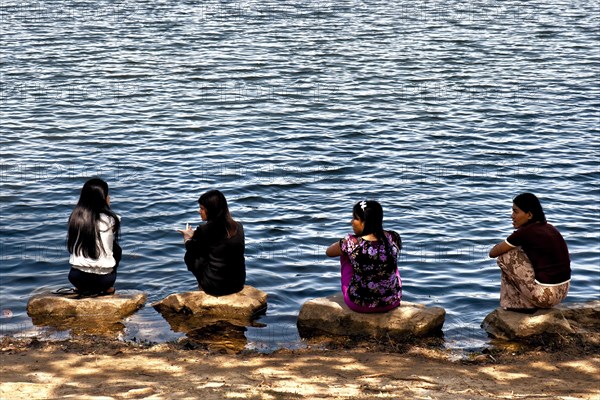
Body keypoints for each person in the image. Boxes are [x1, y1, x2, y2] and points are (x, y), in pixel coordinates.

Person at [489, 192, 571, 311]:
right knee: (521, 252)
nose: (512, 216)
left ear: (529, 215)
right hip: (562, 292)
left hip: (545, 296)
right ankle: (522, 302)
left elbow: (493, 253)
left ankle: (514, 304)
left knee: (505, 255)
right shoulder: (550, 228)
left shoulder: (525, 233)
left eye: (515, 212)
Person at [326, 200, 402, 313]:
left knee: (345, 255)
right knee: (389, 259)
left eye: (355, 218)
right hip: (392, 301)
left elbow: (329, 252)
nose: (352, 221)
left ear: (365, 222)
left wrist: (346, 243)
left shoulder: (351, 242)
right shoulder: (392, 237)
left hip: (360, 304)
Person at [179, 190, 245, 296]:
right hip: (238, 284)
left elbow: (191, 248)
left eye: (202, 208)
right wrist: (195, 235)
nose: (199, 211)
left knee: (190, 256)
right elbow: (216, 243)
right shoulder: (238, 227)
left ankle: (202, 285)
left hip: (216, 288)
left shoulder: (205, 230)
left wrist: (187, 238)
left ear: (211, 210)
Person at [66, 178, 121, 296]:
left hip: (76, 278)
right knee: (116, 249)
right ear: (104, 198)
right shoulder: (111, 219)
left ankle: (80, 289)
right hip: (105, 280)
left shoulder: (74, 218)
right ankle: (108, 289)